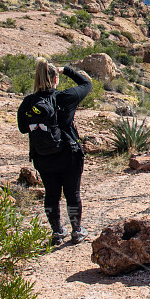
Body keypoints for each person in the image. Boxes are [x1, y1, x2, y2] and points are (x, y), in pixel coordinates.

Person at [17, 58, 92, 245]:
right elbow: (86, 83)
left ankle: (57, 232)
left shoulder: (28, 103)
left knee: (51, 195)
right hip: (69, 154)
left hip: (43, 157)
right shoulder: (65, 97)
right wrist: (66, 69)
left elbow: (22, 128)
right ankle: (76, 231)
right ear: (55, 79)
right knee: (72, 193)